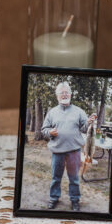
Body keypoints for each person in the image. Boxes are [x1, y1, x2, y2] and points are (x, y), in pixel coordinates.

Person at [41, 82, 96, 211]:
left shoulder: (79, 111)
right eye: (62, 93)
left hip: (74, 151)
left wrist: (88, 122)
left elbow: (84, 129)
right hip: (57, 151)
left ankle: (75, 200)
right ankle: (54, 198)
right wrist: (50, 132)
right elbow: (44, 130)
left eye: (67, 92)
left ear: (71, 95)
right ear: (57, 96)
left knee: (74, 178)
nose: (64, 95)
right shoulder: (52, 112)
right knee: (56, 178)